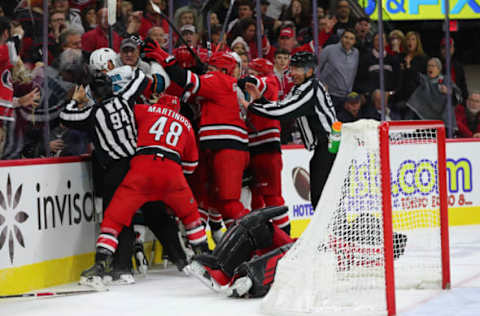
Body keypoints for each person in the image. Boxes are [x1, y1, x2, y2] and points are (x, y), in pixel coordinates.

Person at [79, 93, 208, 287]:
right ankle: (204, 259)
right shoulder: (186, 123)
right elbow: (192, 165)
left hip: (142, 169)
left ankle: (100, 263)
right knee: (191, 216)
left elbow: (121, 120)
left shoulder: (145, 109)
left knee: (114, 218)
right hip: (171, 173)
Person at [144, 40, 250, 227]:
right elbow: (184, 94)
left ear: (223, 69)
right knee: (209, 199)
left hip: (227, 146)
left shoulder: (219, 80)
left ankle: (268, 240)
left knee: (229, 203)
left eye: (211, 67)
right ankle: (227, 245)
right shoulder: (223, 85)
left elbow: (184, 78)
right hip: (220, 145)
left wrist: (163, 56)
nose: (207, 71)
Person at [244, 52, 337, 209]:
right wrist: (261, 100)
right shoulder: (299, 88)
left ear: (309, 71)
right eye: (292, 68)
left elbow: (284, 111)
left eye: (297, 69)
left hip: (329, 145)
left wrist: (252, 106)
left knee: (321, 196)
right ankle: (330, 231)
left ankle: (330, 232)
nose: (292, 73)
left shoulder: (311, 88)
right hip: (324, 147)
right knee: (321, 196)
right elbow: (282, 107)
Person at [238, 58, 290, 234]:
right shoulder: (257, 96)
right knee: (257, 200)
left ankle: (286, 242)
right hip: (256, 149)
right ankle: (264, 243)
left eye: (251, 71)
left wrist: (232, 80)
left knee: (272, 197)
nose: (247, 74)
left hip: (267, 150)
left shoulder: (270, 81)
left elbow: (254, 82)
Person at [318, 28, 359, 110]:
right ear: (341, 38)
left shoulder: (356, 53)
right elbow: (316, 69)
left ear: (354, 42)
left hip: (346, 97)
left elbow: (353, 73)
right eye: (346, 37)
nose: (348, 41)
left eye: (351, 39)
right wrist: (321, 85)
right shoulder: (329, 50)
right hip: (329, 94)